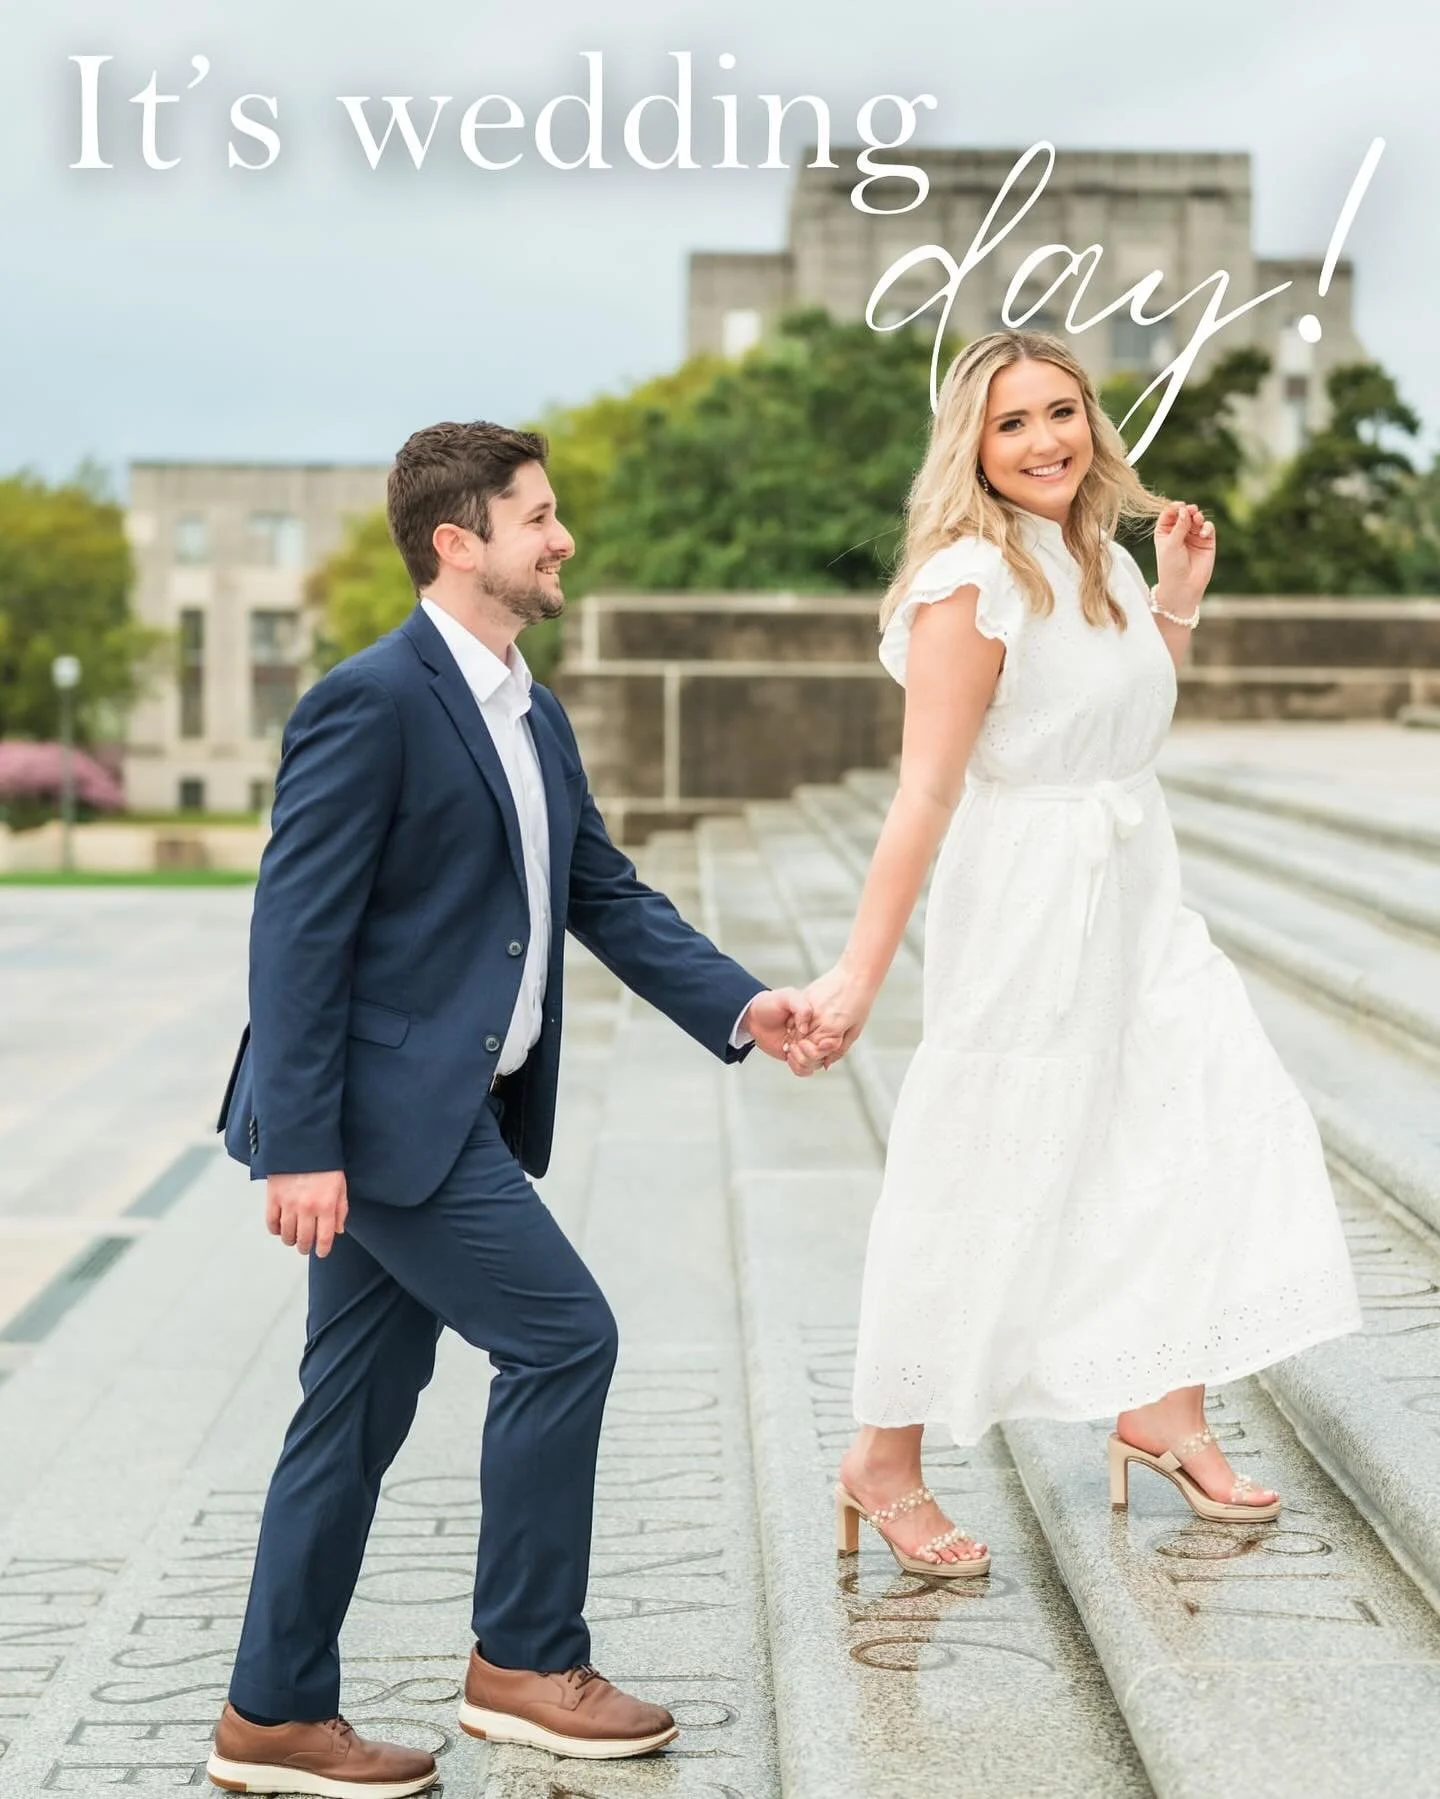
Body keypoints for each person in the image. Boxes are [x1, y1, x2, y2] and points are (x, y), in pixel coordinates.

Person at [207, 421, 813, 1797]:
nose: (564, 538)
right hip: (379, 1116)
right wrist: (301, 1142)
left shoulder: (527, 708)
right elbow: (296, 933)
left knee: (351, 1409)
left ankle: (270, 1711)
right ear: (458, 541)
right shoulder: (373, 699)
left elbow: (598, 890)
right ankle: (527, 1662)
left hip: (448, 1110)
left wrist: (741, 1001)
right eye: (539, 516)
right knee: (565, 1336)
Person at [788, 330, 1362, 1576]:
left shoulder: (1095, 554)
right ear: (973, 450)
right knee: (988, 1160)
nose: (1046, 439)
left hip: (1139, 885)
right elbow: (925, 793)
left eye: (1063, 411)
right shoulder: (967, 580)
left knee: (1200, 1115)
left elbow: (1121, 719)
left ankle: (1161, 1404)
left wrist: (1175, 600)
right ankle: (881, 1458)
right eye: (1012, 423)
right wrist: (859, 973)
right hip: (1031, 901)